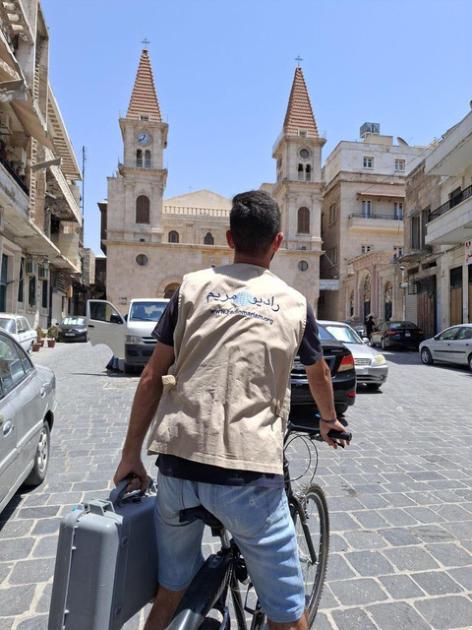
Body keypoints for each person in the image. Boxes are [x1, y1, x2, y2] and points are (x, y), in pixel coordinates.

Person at [114, 190, 348, 630]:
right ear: (278, 242)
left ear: (229, 239)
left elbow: (151, 376)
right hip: (248, 478)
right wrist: (329, 419)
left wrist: (130, 456)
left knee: (169, 593)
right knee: (288, 615)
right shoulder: (294, 303)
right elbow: (318, 374)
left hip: (177, 469)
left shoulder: (190, 288)